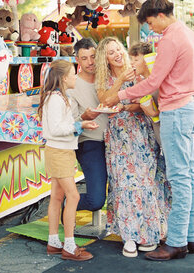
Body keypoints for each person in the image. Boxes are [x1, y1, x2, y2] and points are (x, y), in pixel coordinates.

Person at [104, 0, 194, 261]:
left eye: (150, 23)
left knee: (179, 177)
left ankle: (177, 242)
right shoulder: (190, 35)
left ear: (160, 15)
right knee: (189, 175)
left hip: (175, 111)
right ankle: (190, 235)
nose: (151, 30)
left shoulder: (170, 39)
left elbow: (153, 82)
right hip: (190, 107)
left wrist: (121, 94)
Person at [95, 37, 170, 258]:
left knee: (147, 180)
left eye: (118, 49)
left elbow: (147, 101)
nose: (117, 54)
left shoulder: (137, 71)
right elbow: (105, 102)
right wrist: (119, 82)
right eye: (111, 52)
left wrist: (128, 106)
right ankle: (128, 235)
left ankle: (150, 234)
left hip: (141, 132)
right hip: (119, 136)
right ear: (105, 59)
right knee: (123, 183)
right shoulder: (103, 79)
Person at [39, 59, 98, 262]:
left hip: (60, 151)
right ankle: (70, 245)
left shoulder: (56, 97)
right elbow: (56, 129)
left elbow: (59, 125)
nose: (75, 77)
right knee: (72, 197)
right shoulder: (56, 99)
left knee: (57, 197)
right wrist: (79, 126)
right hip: (59, 151)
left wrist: (80, 123)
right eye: (73, 74)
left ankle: (54, 242)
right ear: (64, 78)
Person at [68, 38, 108, 213]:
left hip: (115, 140)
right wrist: (85, 117)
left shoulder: (107, 79)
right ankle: (67, 204)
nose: (90, 62)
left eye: (93, 56)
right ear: (77, 59)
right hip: (89, 142)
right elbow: (70, 124)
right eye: (84, 58)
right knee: (96, 200)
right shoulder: (71, 86)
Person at [128, 42, 161, 145]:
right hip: (157, 137)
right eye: (131, 59)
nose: (131, 63)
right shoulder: (143, 83)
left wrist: (155, 113)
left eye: (136, 60)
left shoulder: (158, 81)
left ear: (148, 60)